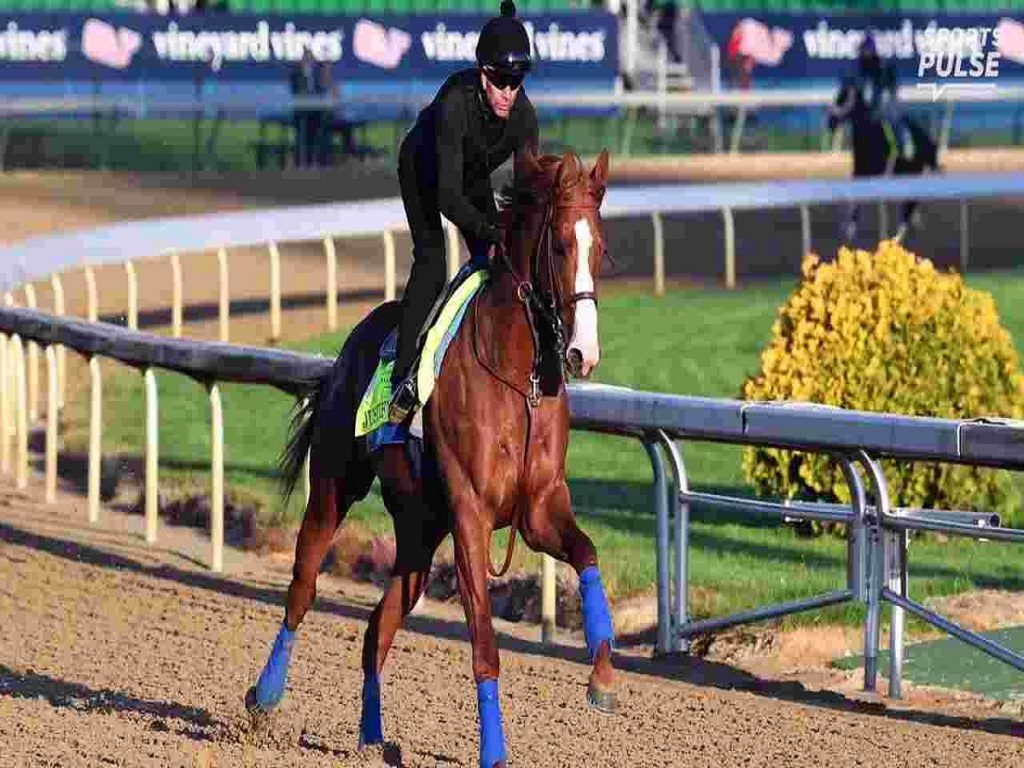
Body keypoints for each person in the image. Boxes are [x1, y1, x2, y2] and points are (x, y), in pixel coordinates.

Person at [387, 0, 539, 426]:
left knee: (499, 265)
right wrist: (491, 231)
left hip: (469, 173)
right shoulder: (456, 103)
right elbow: (450, 198)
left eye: (518, 80)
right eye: (502, 80)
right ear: (482, 73)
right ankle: (402, 377)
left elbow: (528, 189)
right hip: (424, 171)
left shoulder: (523, 116)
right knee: (433, 262)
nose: (510, 91)